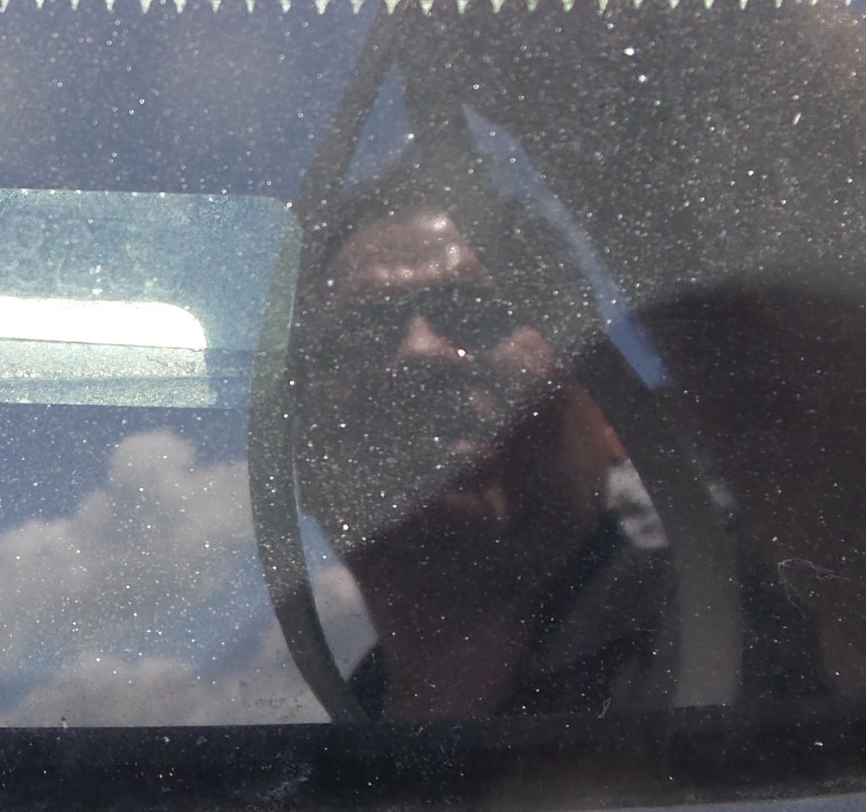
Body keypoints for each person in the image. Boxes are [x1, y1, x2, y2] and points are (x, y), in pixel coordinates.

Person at [293, 162, 822, 720]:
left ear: (610, 411)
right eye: (361, 336)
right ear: (303, 460)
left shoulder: (775, 634)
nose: (420, 352)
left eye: (477, 316)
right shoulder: (301, 744)